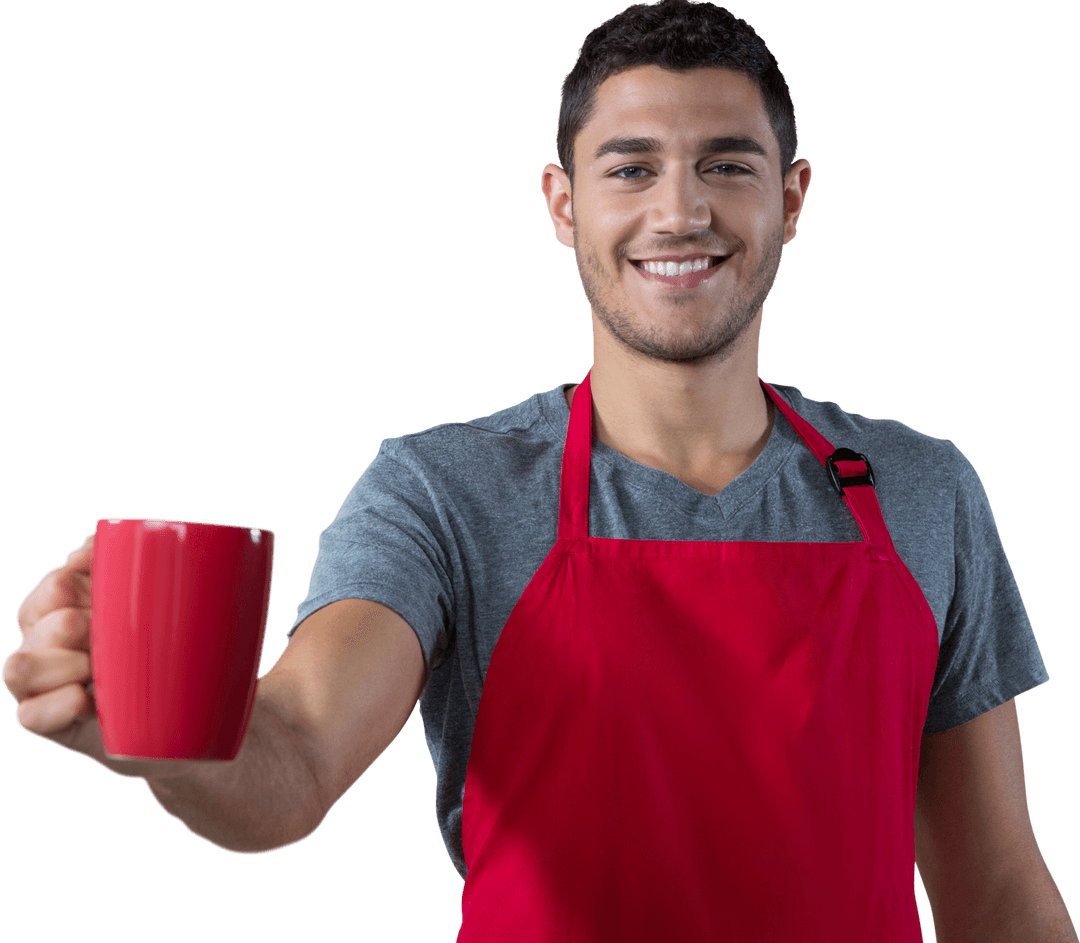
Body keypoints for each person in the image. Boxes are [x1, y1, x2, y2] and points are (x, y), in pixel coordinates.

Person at [5, 1, 1076, 940]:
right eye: (631, 168)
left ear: (791, 199)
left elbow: (999, 898)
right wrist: (164, 736)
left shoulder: (924, 491)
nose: (680, 211)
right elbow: (295, 758)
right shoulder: (444, 491)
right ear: (565, 204)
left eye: (727, 164)